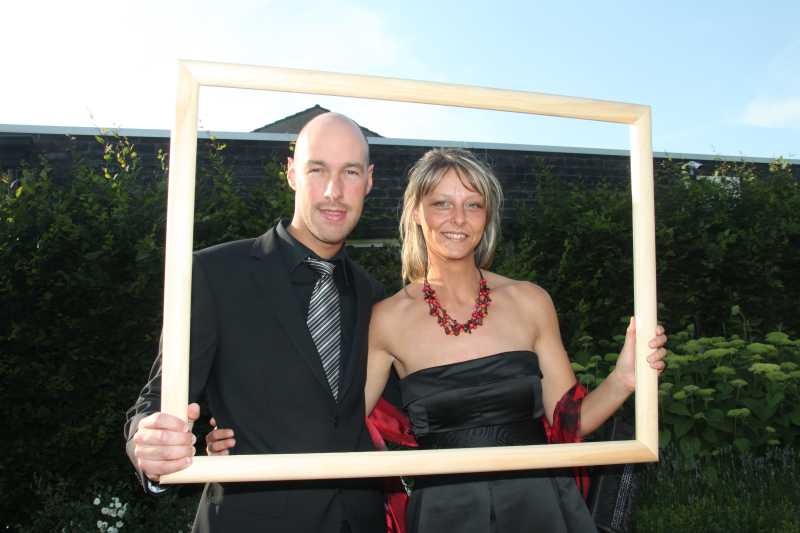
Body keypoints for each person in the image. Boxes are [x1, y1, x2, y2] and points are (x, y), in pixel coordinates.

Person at [208, 148, 668, 533]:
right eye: (442, 203)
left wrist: (624, 379)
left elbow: (569, 422)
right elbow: (338, 424)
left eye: (473, 204)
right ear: (416, 212)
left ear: (487, 216)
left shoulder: (531, 301)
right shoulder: (387, 319)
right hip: (445, 515)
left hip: (542, 507)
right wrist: (239, 440)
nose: (458, 219)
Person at [124, 112, 387, 533]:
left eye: (350, 172)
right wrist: (152, 446)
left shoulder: (376, 297)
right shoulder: (213, 274)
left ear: (369, 180)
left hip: (360, 520)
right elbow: (157, 402)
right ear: (292, 173)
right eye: (317, 170)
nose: (334, 192)